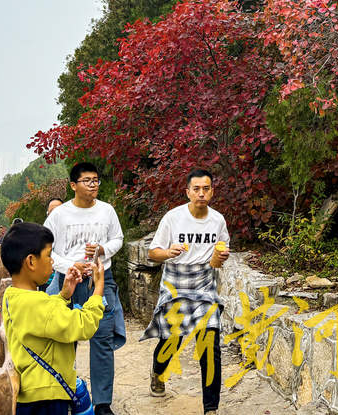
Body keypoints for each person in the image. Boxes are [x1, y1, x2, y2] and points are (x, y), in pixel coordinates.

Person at [141, 169, 230, 415]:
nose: (201, 194)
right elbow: (152, 253)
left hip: (204, 285)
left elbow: (216, 262)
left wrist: (219, 257)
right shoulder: (173, 218)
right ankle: (158, 372)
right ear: (188, 192)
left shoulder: (218, 220)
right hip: (175, 283)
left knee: (210, 343)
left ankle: (210, 408)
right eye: (196, 189)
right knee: (172, 339)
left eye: (206, 189)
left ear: (212, 191)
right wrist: (168, 252)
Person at [43, 162, 126, 415]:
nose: (93, 185)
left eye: (96, 180)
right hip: (69, 281)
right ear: (73, 185)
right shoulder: (58, 215)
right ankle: (68, 394)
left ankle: (102, 404)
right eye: (87, 181)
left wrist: (102, 250)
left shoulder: (107, 211)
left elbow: (118, 239)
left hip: (101, 278)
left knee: (102, 339)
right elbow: (47, 252)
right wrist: (71, 264)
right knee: (67, 340)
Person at [1, 221, 105, 415]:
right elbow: (83, 326)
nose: (52, 261)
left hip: (32, 393)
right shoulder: (37, 303)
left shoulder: (13, 296)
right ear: (31, 262)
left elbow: (45, 320)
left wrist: (64, 295)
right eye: (48, 255)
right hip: (46, 398)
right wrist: (98, 290)